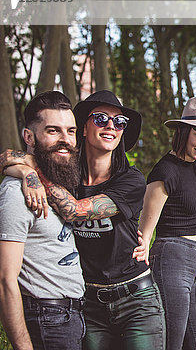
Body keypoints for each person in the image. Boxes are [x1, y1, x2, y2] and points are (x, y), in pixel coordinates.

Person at [1, 90, 166, 349]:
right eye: (101, 118)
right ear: (84, 129)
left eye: (119, 122)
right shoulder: (66, 173)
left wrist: (32, 171)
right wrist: (25, 170)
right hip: (87, 303)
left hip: (135, 299)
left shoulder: (131, 180)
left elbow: (74, 210)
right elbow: (6, 157)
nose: (111, 126)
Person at [133, 97, 196, 350]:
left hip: (191, 261)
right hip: (170, 258)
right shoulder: (165, 171)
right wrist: (141, 250)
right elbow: (145, 231)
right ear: (183, 131)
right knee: (172, 343)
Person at [0, 91, 85, 350]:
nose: (65, 140)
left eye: (70, 131)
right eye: (53, 131)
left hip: (70, 316)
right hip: (48, 318)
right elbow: (5, 280)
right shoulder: (16, 192)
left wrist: (26, 169)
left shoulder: (56, 179)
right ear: (29, 137)